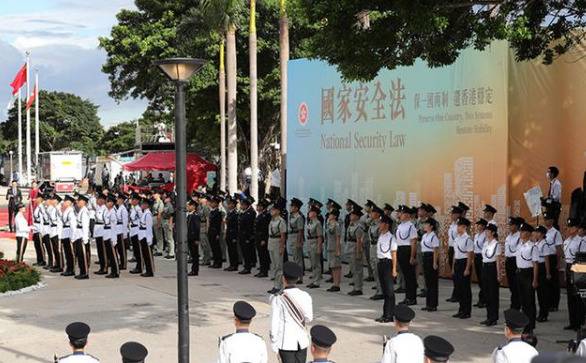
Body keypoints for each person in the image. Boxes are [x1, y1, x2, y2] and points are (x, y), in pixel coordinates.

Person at [269, 261, 313, 363]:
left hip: (286, 342)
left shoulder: (278, 298)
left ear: (283, 278)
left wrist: (274, 344)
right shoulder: (305, 295)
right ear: (298, 279)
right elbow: (309, 318)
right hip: (302, 341)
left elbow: (274, 324)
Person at [516, 223, 539, 333]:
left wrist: (535, 280)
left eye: (523, 231)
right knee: (523, 301)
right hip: (519, 273)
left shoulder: (532, 247)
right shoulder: (519, 244)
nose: (521, 233)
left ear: (529, 233)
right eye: (520, 231)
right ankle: (525, 324)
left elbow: (535, 264)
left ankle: (530, 326)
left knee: (529, 301)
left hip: (528, 274)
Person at [563, 218, 586, 330]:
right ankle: (572, 322)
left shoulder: (581, 241)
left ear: (576, 228)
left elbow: (582, 258)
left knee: (578, 296)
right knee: (570, 297)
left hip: (578, 267)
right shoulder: (567, 241)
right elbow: (566, 258)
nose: (569, 229)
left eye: (571, 227)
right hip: (568, 267)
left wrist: (580, 273)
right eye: (568, 227)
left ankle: (579, 322)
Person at [376, 215, 398, 322]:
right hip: (380, 263)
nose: (379, 225)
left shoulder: (391, 237)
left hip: (388, 264)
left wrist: (394, 269)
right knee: (384, 291)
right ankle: (385, 313)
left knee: (389, 291)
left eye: (381, 223)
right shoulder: (381, 236)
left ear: (387, 225)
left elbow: (394, 254)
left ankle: (389, 315)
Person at [395, 206, 419, 305]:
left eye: (402, 213)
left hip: (407, 250)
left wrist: (412, 256)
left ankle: (412, 298)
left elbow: (413, 242)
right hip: (400, 249)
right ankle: (407, 297)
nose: (400, 215)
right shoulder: (400, 226)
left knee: (410, 276)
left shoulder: (411, 226)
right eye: (400, 213)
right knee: (405, 275)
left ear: (408, 215)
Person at [452, 217, 474, 319]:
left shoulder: (468, 239)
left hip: (464, 263)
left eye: (459, 226)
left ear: (464, 227)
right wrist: (453, 267)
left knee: (465, 289)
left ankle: (466, 311)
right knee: (459, 288)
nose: (457, 227)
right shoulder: (456, 238)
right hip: (457, 263)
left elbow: (470, 255)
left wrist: (467, 268)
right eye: (457, 225)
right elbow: (455, 254)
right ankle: (461, 309)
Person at [481, 224, 501, 326]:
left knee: (493, 294)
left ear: (493, 232)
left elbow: (498, 260)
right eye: (486, 231)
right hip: (485, 267)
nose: (486, 232)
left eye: (488, 231)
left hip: (492, 268)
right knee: (487, 293)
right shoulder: (485, 243)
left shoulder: (496, 244)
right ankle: (488, 316)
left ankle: (493, 318)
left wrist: (498, 274)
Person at [543, 211, 563, 312]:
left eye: (548, 219)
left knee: (554, 282)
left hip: (552, 258)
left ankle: (554, 304)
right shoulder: (543, 231)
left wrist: (559, 262)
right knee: (546, 282)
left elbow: (559, 248)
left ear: (552, 220)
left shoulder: (556, 232)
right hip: (544, 258)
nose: (546, 221)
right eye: (545, 219)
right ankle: (547, 303)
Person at [267, 198, 287, 294]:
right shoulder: (272, 220)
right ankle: (275, 285)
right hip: (271, 242)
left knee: (279, 266)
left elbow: (283, 236)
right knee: (274, 265)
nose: (272, 211)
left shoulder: (281, 221)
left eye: (274, 209)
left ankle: (278, 286)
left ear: (278, 211)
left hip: (277, 242)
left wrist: (282, 247)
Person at [420, 218, 440, 312]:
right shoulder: (424, 236)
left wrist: (435, 262)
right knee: (427, 282)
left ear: (431, 226)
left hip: (431, 258)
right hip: (425, 257)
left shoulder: (433, 236)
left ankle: (433, 304)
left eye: (426, 224)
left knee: (433, 283)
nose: (424, 226)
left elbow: (436, 250)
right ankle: (428, 304)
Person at [505, 217, 523, 310]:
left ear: (516, 226)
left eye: (511, 225)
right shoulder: (509, 237)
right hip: (508, 261)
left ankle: (516, 306)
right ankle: (513, 304)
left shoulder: (520, 236)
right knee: (511, 285)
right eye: (509, 225)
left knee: (516, 286)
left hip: (516, 261)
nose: (510, 226)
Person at [534, 225, 551, 322]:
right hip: (537, 267)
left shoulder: (544, 244)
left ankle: (544, 314)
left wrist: (548, 272)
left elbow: (546, 259)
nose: (536, 234)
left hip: (542, 267)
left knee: (543, 293)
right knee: (539, 293)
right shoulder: (537, 243)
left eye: (538, 232)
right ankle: (541, 312)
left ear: (542, 234)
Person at [445, 206, 463, 303]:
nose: (451, 215)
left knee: (457, 272)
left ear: (458, 215)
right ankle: (455, 293)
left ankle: (458, 294)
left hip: (457, 249)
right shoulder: (452, 224)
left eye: (453, 214)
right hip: (451, 248)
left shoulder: (460, 225)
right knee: (454, 273)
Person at [347, 208, 366, 296]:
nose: (350, 216)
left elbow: (359, 241)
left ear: (357, 216)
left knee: (357, 269)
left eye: (352, 215)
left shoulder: (358, 227)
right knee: (353, 269)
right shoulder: (351, 225)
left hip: (355, 248)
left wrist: (359, 252)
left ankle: (358, 288)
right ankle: (355, 286)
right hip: (351, 248)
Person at [72, 195, 90, 280]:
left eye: (79, 201)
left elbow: (85, 225)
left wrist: (85, 237)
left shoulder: (84, 211)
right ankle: (82, 272)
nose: (77, 202)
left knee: (83, 256)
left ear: (83, 202)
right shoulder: (81, 211)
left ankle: (85, 273)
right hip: (78, 235)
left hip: (82, 236)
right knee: (80, 255)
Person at [238, 195, 257, 275]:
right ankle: (246, 266)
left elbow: (249, 226)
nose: (241, 206)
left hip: (247, 236)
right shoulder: (244, 212)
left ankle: (247, 267)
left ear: (246, 205)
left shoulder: (250, 213)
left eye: (242, 204)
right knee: (244, 252)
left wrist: (248, 237)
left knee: (247, 252)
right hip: (242, 235)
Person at [306, 205, 324, 289]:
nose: (309, 213)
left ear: (314, 213)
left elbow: (320, 236)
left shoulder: (317, 223)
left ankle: (317, 281)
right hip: (310, 242)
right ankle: (314, 279)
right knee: (312, 263)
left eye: (311, 212)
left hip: (315, 242)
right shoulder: (310, 222)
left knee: (316, 263)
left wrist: (319, 247)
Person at [368, 205, 384, 300]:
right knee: (374, 269)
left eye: (373, 212)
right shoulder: (372, 224)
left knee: (379, 270)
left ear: (377, 214)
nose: (371, 214)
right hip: (372, 247)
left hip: (378, 248)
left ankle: (381, 291)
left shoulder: (381, 225)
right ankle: (378, 289)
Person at [288, 198, 305, 281]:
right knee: (294, 258)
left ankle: (300, 277)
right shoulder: (291, 216)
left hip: (296, 237)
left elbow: (300, 231)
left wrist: (299, 241)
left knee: (298, 259)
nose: (291, 207)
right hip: (292, 236)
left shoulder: (299, 217)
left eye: (292, 206)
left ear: (296, 208)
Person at [325, 209, 342, 292]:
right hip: (330, 247)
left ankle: (337, 284)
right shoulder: (329, 224)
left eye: (331, 214)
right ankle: (334, 283)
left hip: (335, 247)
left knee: (336, 266)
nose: (329, 215)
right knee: (333, 266)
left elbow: (338, 238)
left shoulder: (336, 225)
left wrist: (338, 249)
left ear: (335, 216)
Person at [103, 195, 120, 279]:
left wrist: (114, 239)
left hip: (111, 234)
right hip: (106, 234)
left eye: (108, 201)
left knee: (113, 255)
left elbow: (113, 226)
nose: (106, 203)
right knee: (110, 254)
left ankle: (115, 271)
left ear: (112, 203)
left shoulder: (113, 213)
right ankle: (113, 271)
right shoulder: (107, 211)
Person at [473, 219, 488, 308]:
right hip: (477, 257)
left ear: (483, 226)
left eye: (480, 225)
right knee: (479, 278)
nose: (478, 226)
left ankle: (484, 300)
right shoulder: (476, 235)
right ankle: (481, 299)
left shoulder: (485, 235)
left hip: (482, 257)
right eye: (478, 225)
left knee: (483, 279)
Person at [60, 195, 77, 276]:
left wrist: (73, 236)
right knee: (67, 253)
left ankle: (71, 269)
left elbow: (73, 225)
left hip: (69, 233)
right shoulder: (66, 210)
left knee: (70, 253)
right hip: (65, 233)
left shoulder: (71, 211)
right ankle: (68, 268)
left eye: (65, 201)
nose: (64, 202)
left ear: (69, 202)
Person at [138, 198, 154, 277]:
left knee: (148, 255)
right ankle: (147, 270)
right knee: (145, 255)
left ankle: (150, 271)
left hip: (146, 236)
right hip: (142, 235)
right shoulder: (144, 213)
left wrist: (149, 239)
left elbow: (149, 227)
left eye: (143, 204)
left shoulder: (148, 214)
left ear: (147, 205)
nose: (142, 205)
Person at [48, 193, 63, 273]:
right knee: (55, 249)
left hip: (57, 230)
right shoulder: (53, 208)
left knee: (58, 249)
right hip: (52, 230)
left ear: (56, 201)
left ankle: (60, 265)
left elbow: (60, 220)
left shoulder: (58, 208)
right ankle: (57, 264)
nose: (52, 201)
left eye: (53, 200)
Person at [129, 193, 143, 274]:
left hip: (137, 230)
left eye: (133, 199)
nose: (132, 201)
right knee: (135, 249)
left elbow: (141, 220)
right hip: (133, 230)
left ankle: (140, 266)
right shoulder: (133, 208)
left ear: (137, 201)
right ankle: (138, 265)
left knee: (138, 250)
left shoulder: (138, 209)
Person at [224, 196, 239, 271]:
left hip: (233, 234)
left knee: (233, 250)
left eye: (230, 204)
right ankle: (231, 264)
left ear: (233, 205)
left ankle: (234, 265)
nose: (228, 205)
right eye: (228, 204)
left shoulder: (235, 213)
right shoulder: (229, 213)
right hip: (229, 233)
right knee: (230, 250)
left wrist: (235, 237)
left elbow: (236, 226)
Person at [208, 195, 224, 269]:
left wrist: (218, 233)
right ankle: (215, 262)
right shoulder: (212, 212)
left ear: (217, 204)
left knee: (217, 248)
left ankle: (218, 262)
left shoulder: (218, 212)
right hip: (211, 231)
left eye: (213, 203)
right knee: (213, 247)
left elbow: (218, 224)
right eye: (211, 202)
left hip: (215, 232)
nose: (211, 204)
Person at [93, 194, 108, 275]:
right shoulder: (98, 208)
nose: (97, 200)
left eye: (98, 199)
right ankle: (101, 267)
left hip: (102, 230)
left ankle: (104, 267)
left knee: (103, 250)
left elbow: (103, 220)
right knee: (99, 250)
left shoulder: (105, 209)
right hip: (98, 230)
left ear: (102, 200)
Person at [187, 199, 200, 276]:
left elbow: (197, 228)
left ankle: (195, 270)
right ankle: (193, 269)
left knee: (195, 255)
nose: (188, 207)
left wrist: (197, 239)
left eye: (189, 205)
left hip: (193, 238)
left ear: (194, 206)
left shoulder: (195, 216)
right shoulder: (190, 215)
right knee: (192, 254)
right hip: (190, 237)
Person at [32, 193, 46, 266]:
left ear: (40, 199)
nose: (36, 199)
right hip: (36, 229)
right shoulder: (38, 206)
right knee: (37, 246)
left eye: (37, 198)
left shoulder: (41, 207)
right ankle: (39, 260)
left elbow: (42, 219)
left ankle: (42, 260)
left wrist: (41, 230)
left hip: (39, 229)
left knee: (40, 246)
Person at [116, 194, 129, 269]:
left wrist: (125, 234)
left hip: (121, 230)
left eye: (118, 199)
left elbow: (125, 222)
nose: (117, 200)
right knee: (120, 248)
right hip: (118, 230)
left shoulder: (123, 209)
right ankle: (121, 262)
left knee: (122, 249)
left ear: (121, 200)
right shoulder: (119, 208)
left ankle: (124, 264)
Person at [161, 193, 175, 259]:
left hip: (168, 221)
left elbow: (171, 215)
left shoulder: (169, 205)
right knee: (167, 238)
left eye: (166, 198)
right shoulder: (165, 205)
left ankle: (172, 253)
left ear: (169, 199)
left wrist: (170, 224)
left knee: (170, 238)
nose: (164, 199)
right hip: (165, 221)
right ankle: (169, 251)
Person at [151, 190, 165, 256]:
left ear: (159, 195)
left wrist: (159, 223)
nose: (154, 195)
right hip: (154, 217)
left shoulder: (160, 202)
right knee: (156, 235)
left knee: (159, 235)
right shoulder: (155, 202)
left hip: (157, 218)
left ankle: (160, 250)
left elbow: (160, 213)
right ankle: (158, 248)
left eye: (155, 194)